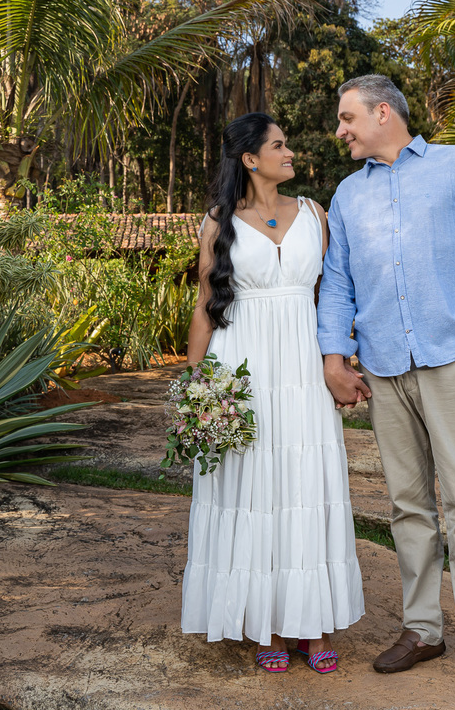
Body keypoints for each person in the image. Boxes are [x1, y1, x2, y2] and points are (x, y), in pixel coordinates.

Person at [316, 75, 455, 697]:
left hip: (452, 357)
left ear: (383, 113)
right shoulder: (348, 195)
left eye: (347, 117)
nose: (341, 130)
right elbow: (337, 284)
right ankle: (422, 630)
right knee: (407, 506)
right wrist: (336, 355)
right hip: (384, 367)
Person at [181, 112, 365, 676]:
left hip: (303, 369)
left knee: (308, 485)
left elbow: (337, 291)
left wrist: (344, 356)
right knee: (255, 490)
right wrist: (199, 386)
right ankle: (270, 626)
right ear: (251, 159)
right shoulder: (218, 222)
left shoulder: (315, 213)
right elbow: (204, 306)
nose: (291, 153)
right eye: (279, 145)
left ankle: (317, 623)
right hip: (242, 366)